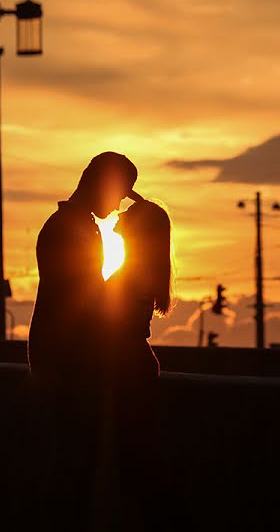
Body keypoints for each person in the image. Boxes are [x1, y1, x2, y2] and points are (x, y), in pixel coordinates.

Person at [26, 151, 137, 530]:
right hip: (66, 369)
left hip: (66, 366)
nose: (119, 203)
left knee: (74, 468)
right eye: (120, 193)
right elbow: (83, 298)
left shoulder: (73, 226)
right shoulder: (68, 229)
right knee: (71, 469)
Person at [102, 198, 175, 531]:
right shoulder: (139, 266)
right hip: (131, 366)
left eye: (128, 212)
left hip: (128, 370)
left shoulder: (134, 271)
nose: (119, 211)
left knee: (137, 468)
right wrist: (136, 197)